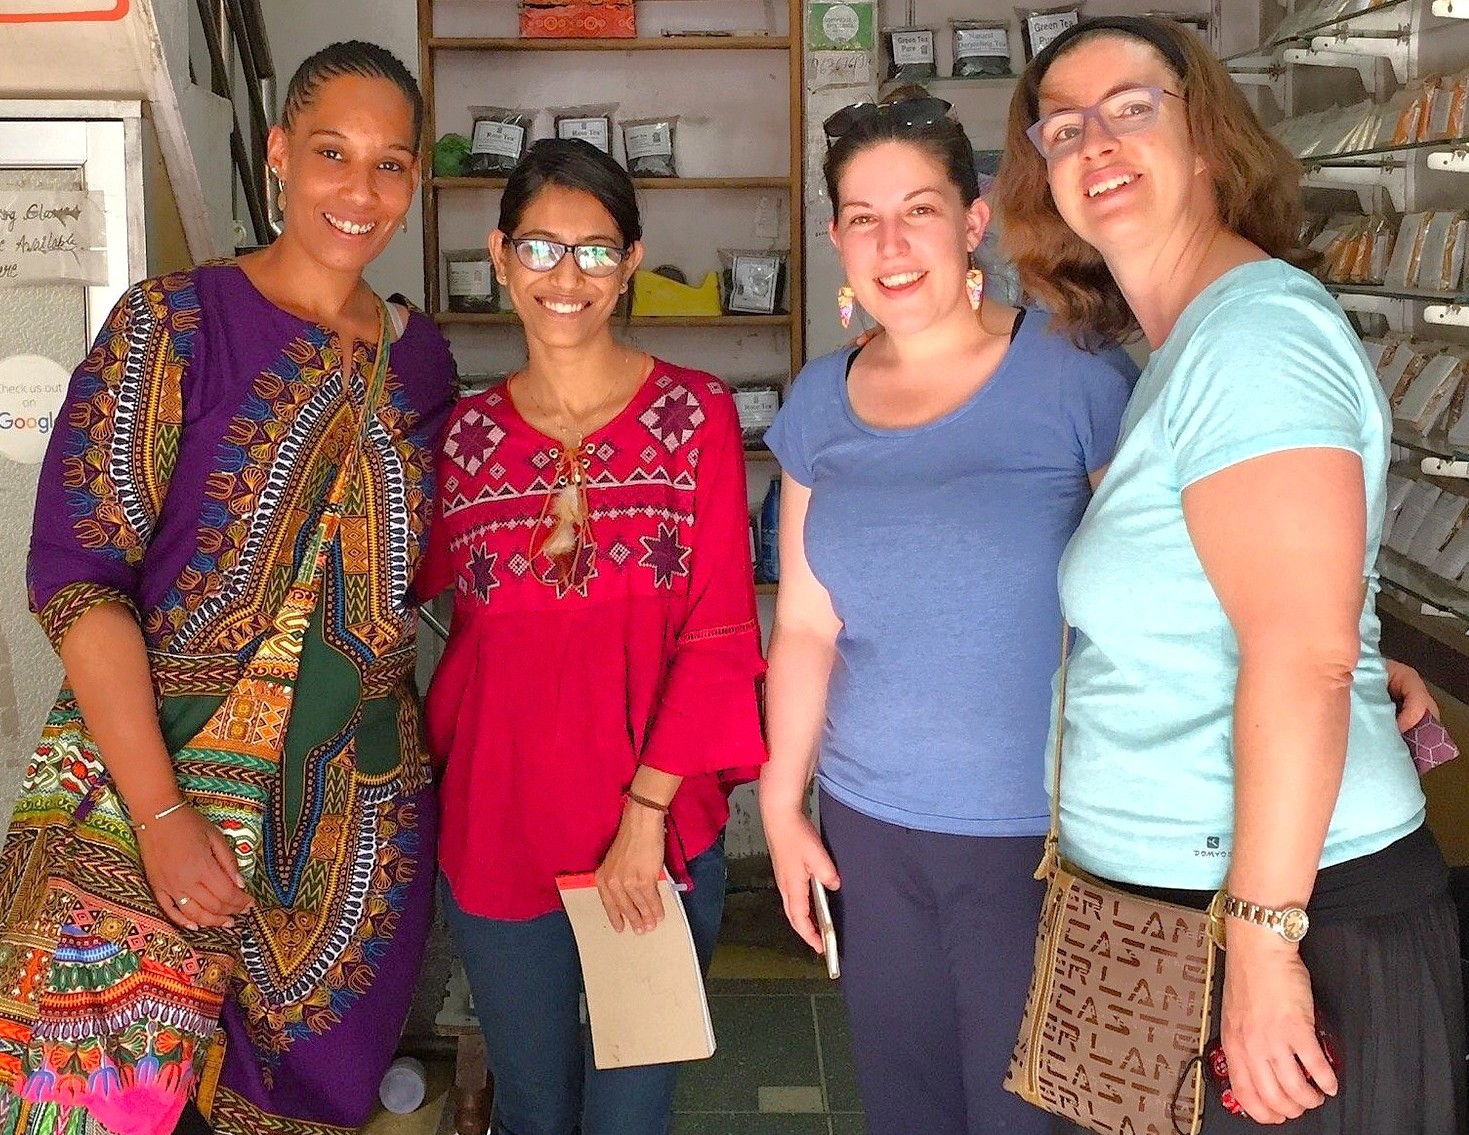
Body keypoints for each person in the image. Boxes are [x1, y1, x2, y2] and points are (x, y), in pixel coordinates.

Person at [993, 15, 1466, 1132]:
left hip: (1283, 923)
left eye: (1129, 108)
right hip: (1172, 915)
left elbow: (1299, 660)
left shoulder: (1253, 336)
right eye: (1060, 127)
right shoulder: (1184, 346)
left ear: (1206, 137)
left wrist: (1261, 947)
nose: (1092, 141)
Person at [0, 41, 456, 1135]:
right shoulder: (174, 326)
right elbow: (77, 577)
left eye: (390, 165)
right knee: (100, 1102)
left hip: (349, 824)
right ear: (279, 156)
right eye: (333, 154)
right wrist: (161, 812)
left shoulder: (421, 361)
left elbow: (418, 573)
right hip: (142, 798)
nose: (360, 190)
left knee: (298, 1107)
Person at [757, 96, 1138, 1135]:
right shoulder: (817, 404)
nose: (891, 243)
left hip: (1043, 832)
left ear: (972, 221)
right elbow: (804, 626)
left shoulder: (1074, 376)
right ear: (834, 237)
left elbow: (1164, 592)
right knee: (907, 1106)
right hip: (869, 828)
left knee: (1029, 1115)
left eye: (918, 210)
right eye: (862, 216)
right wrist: (781, 802)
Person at [417, 138, 766, 1135]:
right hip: (498, 823)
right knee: (532, 1106)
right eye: (539, 248)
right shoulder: (462, 439)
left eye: (594, 251)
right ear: (498, 255)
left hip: (650, 830)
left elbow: (717, 631)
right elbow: (393, 585)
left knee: (630, 1109)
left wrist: (644, 818)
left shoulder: (690, 415)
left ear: (630, 263)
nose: (565, 277)